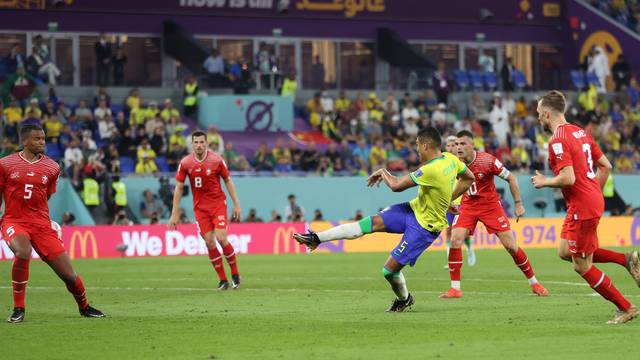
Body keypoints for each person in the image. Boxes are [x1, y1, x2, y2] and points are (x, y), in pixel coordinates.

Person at [294, 127, 475, 312]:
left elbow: (396, 186)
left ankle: (404, 298)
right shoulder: (451, 159)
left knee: (389, 271)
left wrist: (382, 172)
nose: (417, 150)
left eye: (417, 145)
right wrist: (449, 199)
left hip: (424, 228)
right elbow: (469, 177)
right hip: (412, 210)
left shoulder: (430, 170)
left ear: (426, 145)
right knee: (367, 224)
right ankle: (316, 238)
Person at [532, 90, 640, 324]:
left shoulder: (558, 140)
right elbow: (606, 166)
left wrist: (545, 181)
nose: (538, 118)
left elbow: (568, 178)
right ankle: (626, 259)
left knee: (581, 265)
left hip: (582, 205)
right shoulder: (580, 132)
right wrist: (592, 192)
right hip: (586, 202)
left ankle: (626, 307)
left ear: (548, 114)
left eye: (539, 114)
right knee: (564, 252)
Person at [0, 124, 105, 323]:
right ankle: (18, 308)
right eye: (37, 139)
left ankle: (84, 307)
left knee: (69, 275)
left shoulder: (53, 167)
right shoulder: (5, 164)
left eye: (43, 139)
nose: (42, 142)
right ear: (24, 141)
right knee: (23, 252)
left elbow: (44, 196)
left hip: (41, 225)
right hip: (14, 221)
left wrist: (46, 221)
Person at [441, 129, 547, 298]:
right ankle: (455, 289)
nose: (459, 147)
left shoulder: (487, 160)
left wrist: (518, 204)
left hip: (490, 206)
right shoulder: (453, 163)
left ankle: (534, 283)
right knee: (455, 239)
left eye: (463, 144)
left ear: (472, 144)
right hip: (468, 206)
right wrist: (449, 201)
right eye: (456, 144)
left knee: (511, 246)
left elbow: (511, 177)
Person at [168, 130, 242, 290]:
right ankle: (223, 280)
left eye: (202, 142)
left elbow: (228, 181)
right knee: (209, 242)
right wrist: (175, 213)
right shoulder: (186, 163)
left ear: (206, 143)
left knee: (222, 238)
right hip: (200, 209)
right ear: (192, 144)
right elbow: (179, 188)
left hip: (217, 205)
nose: (199, 145)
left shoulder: (217, 160)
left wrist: (236, 203)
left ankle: (235, 273)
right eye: (196, 142)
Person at [442, 136, 475, 267]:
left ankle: (470, 248)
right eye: (448, 146)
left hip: (462, 200)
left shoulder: (461, 162)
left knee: (462, 231)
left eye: (453, 145)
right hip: (448, 200)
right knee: (448, 230)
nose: (450, 148)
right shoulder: (442, 162)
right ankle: (449, 259)